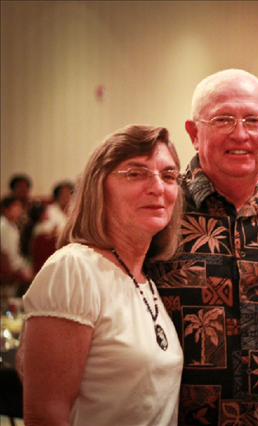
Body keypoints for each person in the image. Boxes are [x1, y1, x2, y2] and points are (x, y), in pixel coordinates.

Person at [148, 70, 258, 426]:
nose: (240, 134)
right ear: (193, 133)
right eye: (223, 120)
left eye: (253, 120)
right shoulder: (161, 210)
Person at [18, 125, 184, 426]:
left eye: (169, 175)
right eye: (136, 173)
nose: (158, 187)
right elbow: (45, 416)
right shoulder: (74, 269)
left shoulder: (145, 279)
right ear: (99, 186)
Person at [0, 195, 34, 286]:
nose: (19, 210)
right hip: (11, 267)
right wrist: (9, 274)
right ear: (5, 210)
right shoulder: (3, 226)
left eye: (20, 207)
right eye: (16, 207)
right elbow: (4, 253)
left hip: (18, 263)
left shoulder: (13, 225)